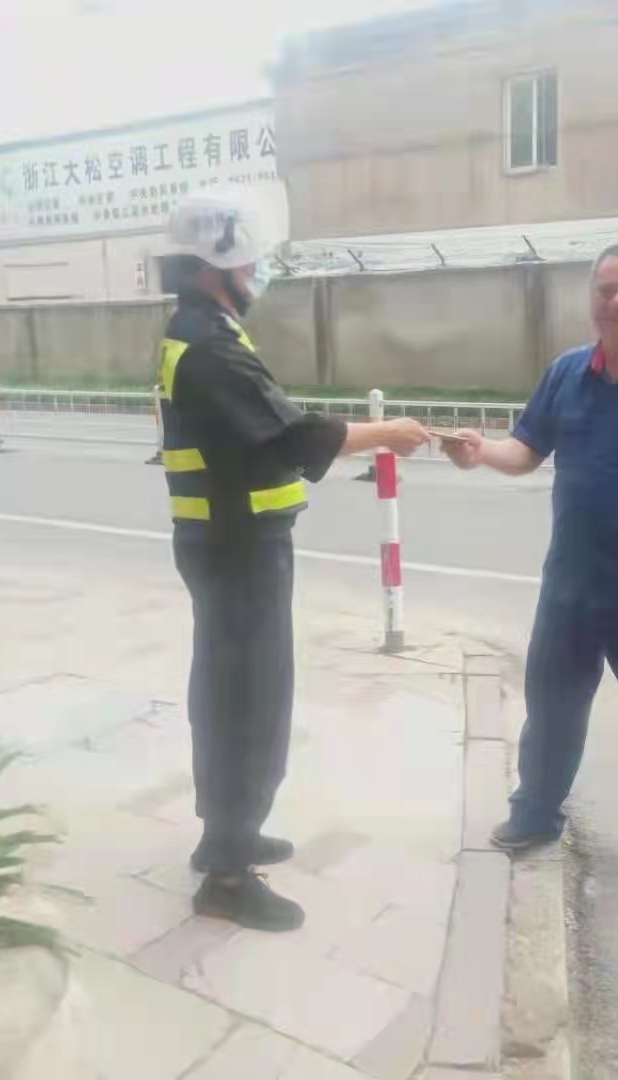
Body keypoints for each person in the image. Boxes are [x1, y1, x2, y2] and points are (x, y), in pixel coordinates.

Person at [159, 192, 430, 931]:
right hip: (236, 549)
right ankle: (226, 873)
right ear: (216, 264)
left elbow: (263, 430)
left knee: (233, 692)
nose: (260, 270)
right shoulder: (207, 345)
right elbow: (289, 436)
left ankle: (229, 833)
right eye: (251, 259)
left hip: (230, 545)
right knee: (247, 701)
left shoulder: (205, 330)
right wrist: (387, 433)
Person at [440, 241, 618, 891]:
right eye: (606, 290)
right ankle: (536, 815)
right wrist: (480, 450)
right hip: (570, 584)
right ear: (592, 300)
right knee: (551, 710)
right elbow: (525, 451)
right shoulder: (566, 373)